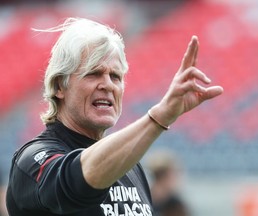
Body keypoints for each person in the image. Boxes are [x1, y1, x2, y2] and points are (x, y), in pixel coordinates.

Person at [6, 17, 223, 216]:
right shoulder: (32, 160)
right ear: (59, 86)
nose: (108, 84)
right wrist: (159, 117)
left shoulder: (131, 166)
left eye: (116, 76)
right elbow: (76, 182)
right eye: (93, 73)